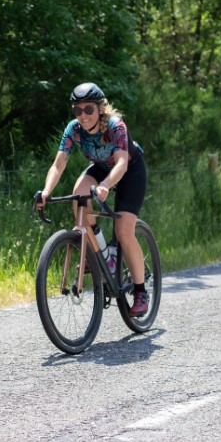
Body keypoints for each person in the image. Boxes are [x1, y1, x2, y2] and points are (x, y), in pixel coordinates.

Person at [34, 82, 150, 315]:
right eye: (78, 110)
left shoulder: (115, 126)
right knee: (79, 198)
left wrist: (106, 185)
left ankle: (140, 291)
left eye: (88, 109)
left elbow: (121, 163)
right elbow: (59, 163)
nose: (83, 115)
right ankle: (102, 255)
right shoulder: (74, 129)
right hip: (101, 167)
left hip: (129, 170)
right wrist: (46, 191)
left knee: (124, 231)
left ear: (100, 108)